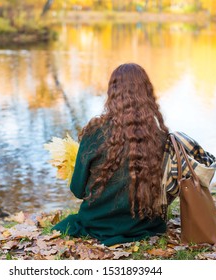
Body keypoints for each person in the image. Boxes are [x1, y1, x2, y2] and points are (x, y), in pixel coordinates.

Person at [52, 63, 170, 246]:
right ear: (147, 93)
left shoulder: (94, 132)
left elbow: (77, 190)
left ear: (112, 93)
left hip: (98, 223)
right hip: (143, 223)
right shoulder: (159, 137)